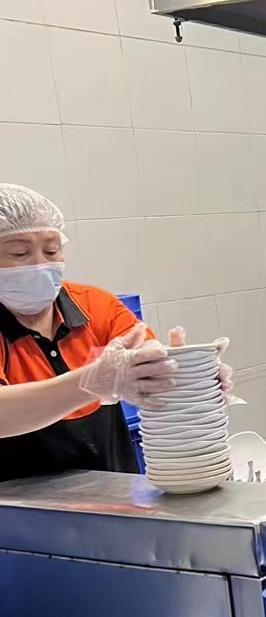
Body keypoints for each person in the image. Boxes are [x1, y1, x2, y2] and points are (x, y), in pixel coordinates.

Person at [0, 184, 177, 478]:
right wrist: (91, 383)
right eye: (19, 252)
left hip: (114, 494)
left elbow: (146, 359)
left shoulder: (95, 305)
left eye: (51, 250)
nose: (40, 265)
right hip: (17, 503)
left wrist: (189, 374)